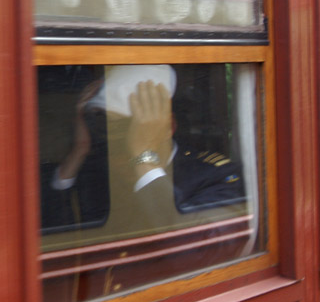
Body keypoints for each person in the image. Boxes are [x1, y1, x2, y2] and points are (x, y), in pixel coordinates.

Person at [42, 64, 246, 234]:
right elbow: (54, 229)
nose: (119, 148)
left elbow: (191, 250)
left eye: (128, 130)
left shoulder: (215, 177)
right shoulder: (99, 172)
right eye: (106, 128)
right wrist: (79, 151)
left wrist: (143, 156)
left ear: (168, 126)